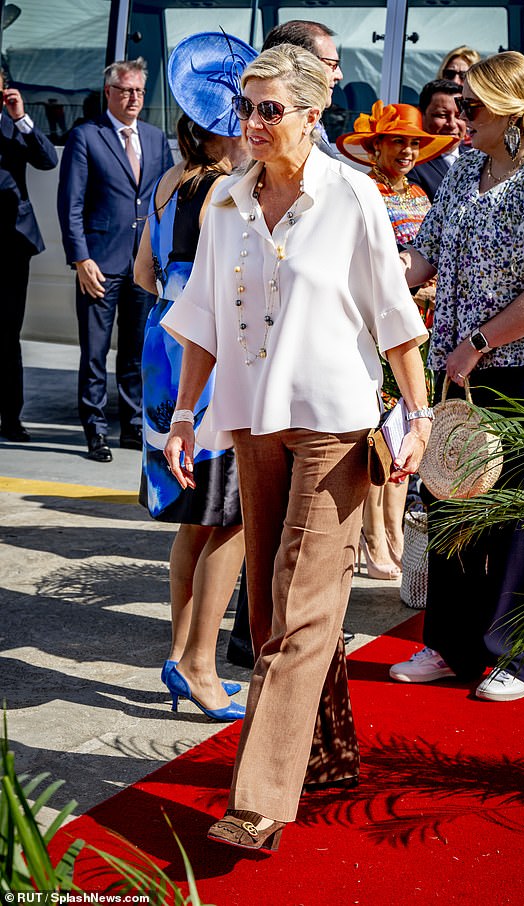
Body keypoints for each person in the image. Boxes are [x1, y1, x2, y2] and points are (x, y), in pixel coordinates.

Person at [162, 44, 431, 851]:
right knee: (276, 607)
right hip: (251, 420)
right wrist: (182, 415)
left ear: (315, 115)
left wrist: (417, 415)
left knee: (305, 607)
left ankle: (259, 800)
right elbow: (203, 318)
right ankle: (327, 751)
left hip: (335, 423)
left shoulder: (351, 197)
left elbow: (392, 316)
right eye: (245, 108)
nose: (250, 124)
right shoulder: (222, 202)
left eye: (269, 109)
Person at [390, 51, 524, 702]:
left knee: (518, 515)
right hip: (463, 363)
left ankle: (519, 658)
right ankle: (450, 644)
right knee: (451, 500)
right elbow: (424, 256)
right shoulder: (464, 172)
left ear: (510, 110)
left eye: (472, 106)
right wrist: (374, 287)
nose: (458, 117)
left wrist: (475, 344)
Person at [134, 33, 261, 720]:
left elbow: (143, 276)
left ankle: (184, 656)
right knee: (228, 515)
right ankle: (198, 666)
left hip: (164, 344)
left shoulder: (166, 183)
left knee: (193, 519)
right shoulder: (227, 193)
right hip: (210, 359)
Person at [337, 101, 456, 579]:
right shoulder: (365, 193)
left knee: (406, 430)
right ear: (376, 146)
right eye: (397, 141)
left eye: (413, 142)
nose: (407, 150)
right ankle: (373, 541)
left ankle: (394, 534)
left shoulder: (423, 197)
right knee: (379, 433)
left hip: (418, 326)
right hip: (380, 325)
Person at [57, 58, 172, 463]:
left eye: (140, 90)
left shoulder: (156, 140)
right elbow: (70, 204)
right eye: (126, 90)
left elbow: (163, 203)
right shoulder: (87, 137)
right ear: (109, 92)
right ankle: (95, 429)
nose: (134, 98)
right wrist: (80, 259)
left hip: (142, 265)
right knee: (94, 351)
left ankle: (133, 423)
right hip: (99, 264)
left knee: (137, 350)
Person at [0, 72, 57, 443]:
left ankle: (12, 417)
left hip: (12, 241)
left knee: (7, 333)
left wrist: (22, 118)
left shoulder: (13, 123)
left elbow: (48, 160)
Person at [261, 20, 343, 156]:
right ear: (300, 63)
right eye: (332, 64)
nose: (339, 75)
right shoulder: (281, 133)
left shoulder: (309, 122)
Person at [408, 79, 468, 201]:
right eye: (442, 115)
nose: (452, 124)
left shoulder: (479, 157)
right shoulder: (410, 162)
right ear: (421, 115)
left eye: (458, 116)